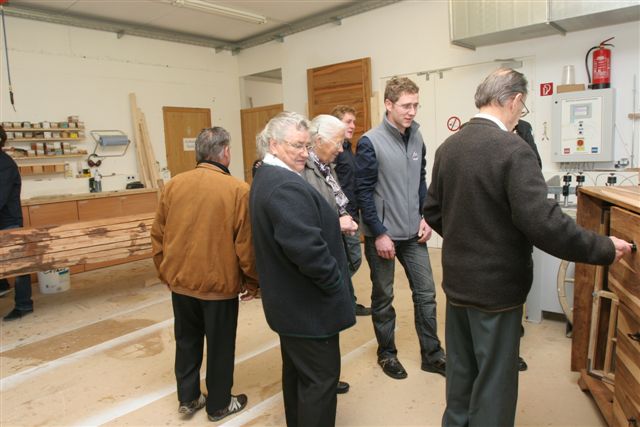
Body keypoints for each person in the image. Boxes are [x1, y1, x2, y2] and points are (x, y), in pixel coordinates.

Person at [422, 68, 633, 427]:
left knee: (461, 374)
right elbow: (545, 225)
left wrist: (468, 240)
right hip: (497, 291)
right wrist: (603, 248)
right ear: (515, 100)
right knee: (495, 384)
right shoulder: (513, 150)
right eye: (523, 106)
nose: (521, 113)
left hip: (457, 285)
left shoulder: (448, 148)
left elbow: (433, 211)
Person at [250, 111, 355, 427]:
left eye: (307, 146)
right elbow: (307, 251)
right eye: (297, 145)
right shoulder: (284, 186)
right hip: (308, 310)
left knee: (299, 377)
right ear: (273, 144)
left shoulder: (269, 177)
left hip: (292, 307)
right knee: (320, 383)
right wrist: (335, 283)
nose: (304, 153)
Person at [150, 127, 258, 422]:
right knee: (220, 346)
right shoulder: (238, 190)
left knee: (186, 341)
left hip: (181, 284)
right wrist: (253, 282)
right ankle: (219, 404)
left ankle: (188, 398)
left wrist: (165, 272)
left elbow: (158, 234)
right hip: (218, 287)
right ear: (225, 152)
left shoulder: (173, 185)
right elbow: (246, 245)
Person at [355, 76, 446, 380]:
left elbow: (420, 180)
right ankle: (387, 353)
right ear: (388, 104)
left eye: (416, 105)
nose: (412, 111)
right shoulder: (370, 142)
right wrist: (379, 233)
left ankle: (432, 355)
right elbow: (363, 192)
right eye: (406, 105)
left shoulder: (417, 137)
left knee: (427, 294)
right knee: (384, 297)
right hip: (383, 235)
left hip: (413, 234)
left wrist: (425, 216)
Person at [301, 114, 357, 395]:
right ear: (319, 140)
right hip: (320, 256)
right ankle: (323, 380)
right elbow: (306, 220)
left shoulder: (325, 166)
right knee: (320, 324)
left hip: (333, 248)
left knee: (331, 321)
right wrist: (338, 223)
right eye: (337, 142)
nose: (341, 149)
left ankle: (328, 377)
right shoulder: (304, 170)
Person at [330, 105, 371, 316]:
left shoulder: (346, 148)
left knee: (348, 258)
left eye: (354, 122)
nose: (353, 126)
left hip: (353, 213)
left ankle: (348, 302)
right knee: (353, 258)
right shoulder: (334, 151)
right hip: (343, 215)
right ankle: (336, 297)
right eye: (348, 121)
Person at [0, 125, 34, 321]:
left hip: (9, 222)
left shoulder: (4, 164)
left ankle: (24, 305)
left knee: (20, 264)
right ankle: (2, 285)